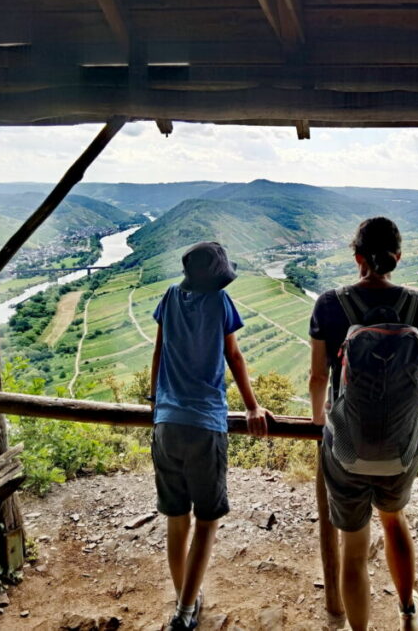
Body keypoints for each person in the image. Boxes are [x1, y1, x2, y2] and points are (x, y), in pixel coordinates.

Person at [309, 217, 418, 631]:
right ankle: (408, 612)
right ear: (398, 256)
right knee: (394, 520)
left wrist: (320, 424)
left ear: (357, 257)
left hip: (345, 449)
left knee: (353, 549)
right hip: (400, 447)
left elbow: (318, 379)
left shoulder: (328, 304)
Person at [150, 241, 273, 631]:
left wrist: (155, 401)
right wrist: (253, 406)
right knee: (206, 521)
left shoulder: (169, 297)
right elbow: (233, 356)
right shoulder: (219, 302)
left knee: (176, 519)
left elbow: (158, 351)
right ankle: (186, 611)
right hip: (205, 425)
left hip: (166, 423)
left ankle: (183, 597)